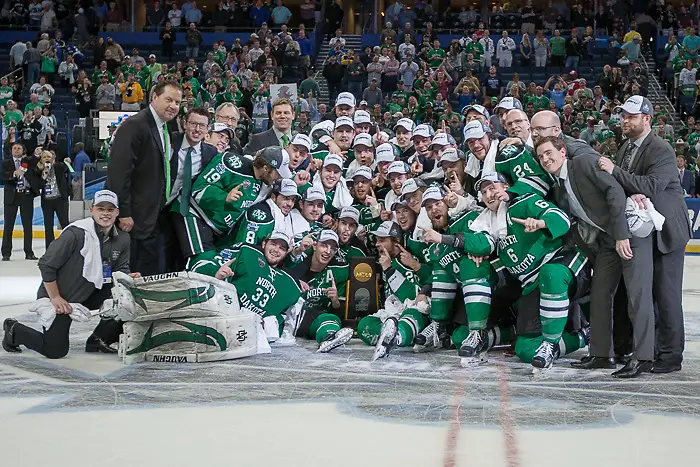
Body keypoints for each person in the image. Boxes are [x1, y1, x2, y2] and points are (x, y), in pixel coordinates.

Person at [535, 136, 655, 378]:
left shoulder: (583, 163)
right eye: (541, 156)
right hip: (608, 241)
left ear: (562, 151)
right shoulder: (558, 184)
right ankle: (601, 354)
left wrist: (622, 235)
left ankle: (643, 357)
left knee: (637, 295)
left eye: (549, 153)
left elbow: (615, 192)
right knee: (599, 293)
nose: (545, 159)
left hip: (629, 232)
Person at [597, 96, 692, 374]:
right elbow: (625, 187)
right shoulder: (625, 147)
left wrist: (617, 173)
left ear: (647, 118)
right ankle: (646, 349)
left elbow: (651, 186)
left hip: (668, 232)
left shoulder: (661, 149)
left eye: (631, 116)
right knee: (645, 294)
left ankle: (671, 356)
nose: (625, 121)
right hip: (645, 230)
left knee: (666, 294)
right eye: (623, 116)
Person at [2, 190, 137, 359]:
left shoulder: (122, 238)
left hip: (91, 292)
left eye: (110, 210)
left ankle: (99, 338)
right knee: (55, 350)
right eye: (101, 208)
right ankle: (15, 330)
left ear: (117, 212)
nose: (105, 213)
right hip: (62, 296)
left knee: (130, 296)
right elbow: (46, 265)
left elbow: (120, 268)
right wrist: (56, 297)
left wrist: (127, 277)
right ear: (92, 209)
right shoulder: (76, 233)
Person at [106, 81, 183, 276]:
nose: (174, 106)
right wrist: (123, 212)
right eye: (169, 100)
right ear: (154, 97)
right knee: (133, 274)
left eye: (177, 102)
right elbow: (119, 172)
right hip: (134, 218)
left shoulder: (165, 128)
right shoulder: (135, 125)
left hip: (153, 215)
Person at [161, 108, 219, 272]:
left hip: (185, 212)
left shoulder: (211, 152)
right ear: (184, 123)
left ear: (208, 129)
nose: (197, 129)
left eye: (202, 125)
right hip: (159, 207)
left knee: (182, 255)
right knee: (159, 255)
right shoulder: (169, 141)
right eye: (193, 123)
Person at [1, 143, 37, 261]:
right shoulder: (6, 162)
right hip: (11, 196)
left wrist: (36, 153)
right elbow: (3, 177)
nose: (16, 150)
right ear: (11, 151)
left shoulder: (27, 162)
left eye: (19, 148)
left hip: (26, 196)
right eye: (14, 148)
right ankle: (6, 253)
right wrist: (14, 174)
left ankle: (29, 252)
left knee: (27, 226)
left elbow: (35, 161)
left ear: (23, 150)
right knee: (8, 226)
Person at [34, 150, 71, 250]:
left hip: (60, 200)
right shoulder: (38, 170)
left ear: (53, 159)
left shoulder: (58, 167)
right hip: (47, 201)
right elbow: (38, 185)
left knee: (65, 224)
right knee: (48, 226)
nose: (47, 158)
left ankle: (68, 247)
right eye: (44, 157)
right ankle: (50, 249)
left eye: (49, 157)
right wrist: (44, 174)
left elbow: (65, 166)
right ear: (41, 160)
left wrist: (67, 161)